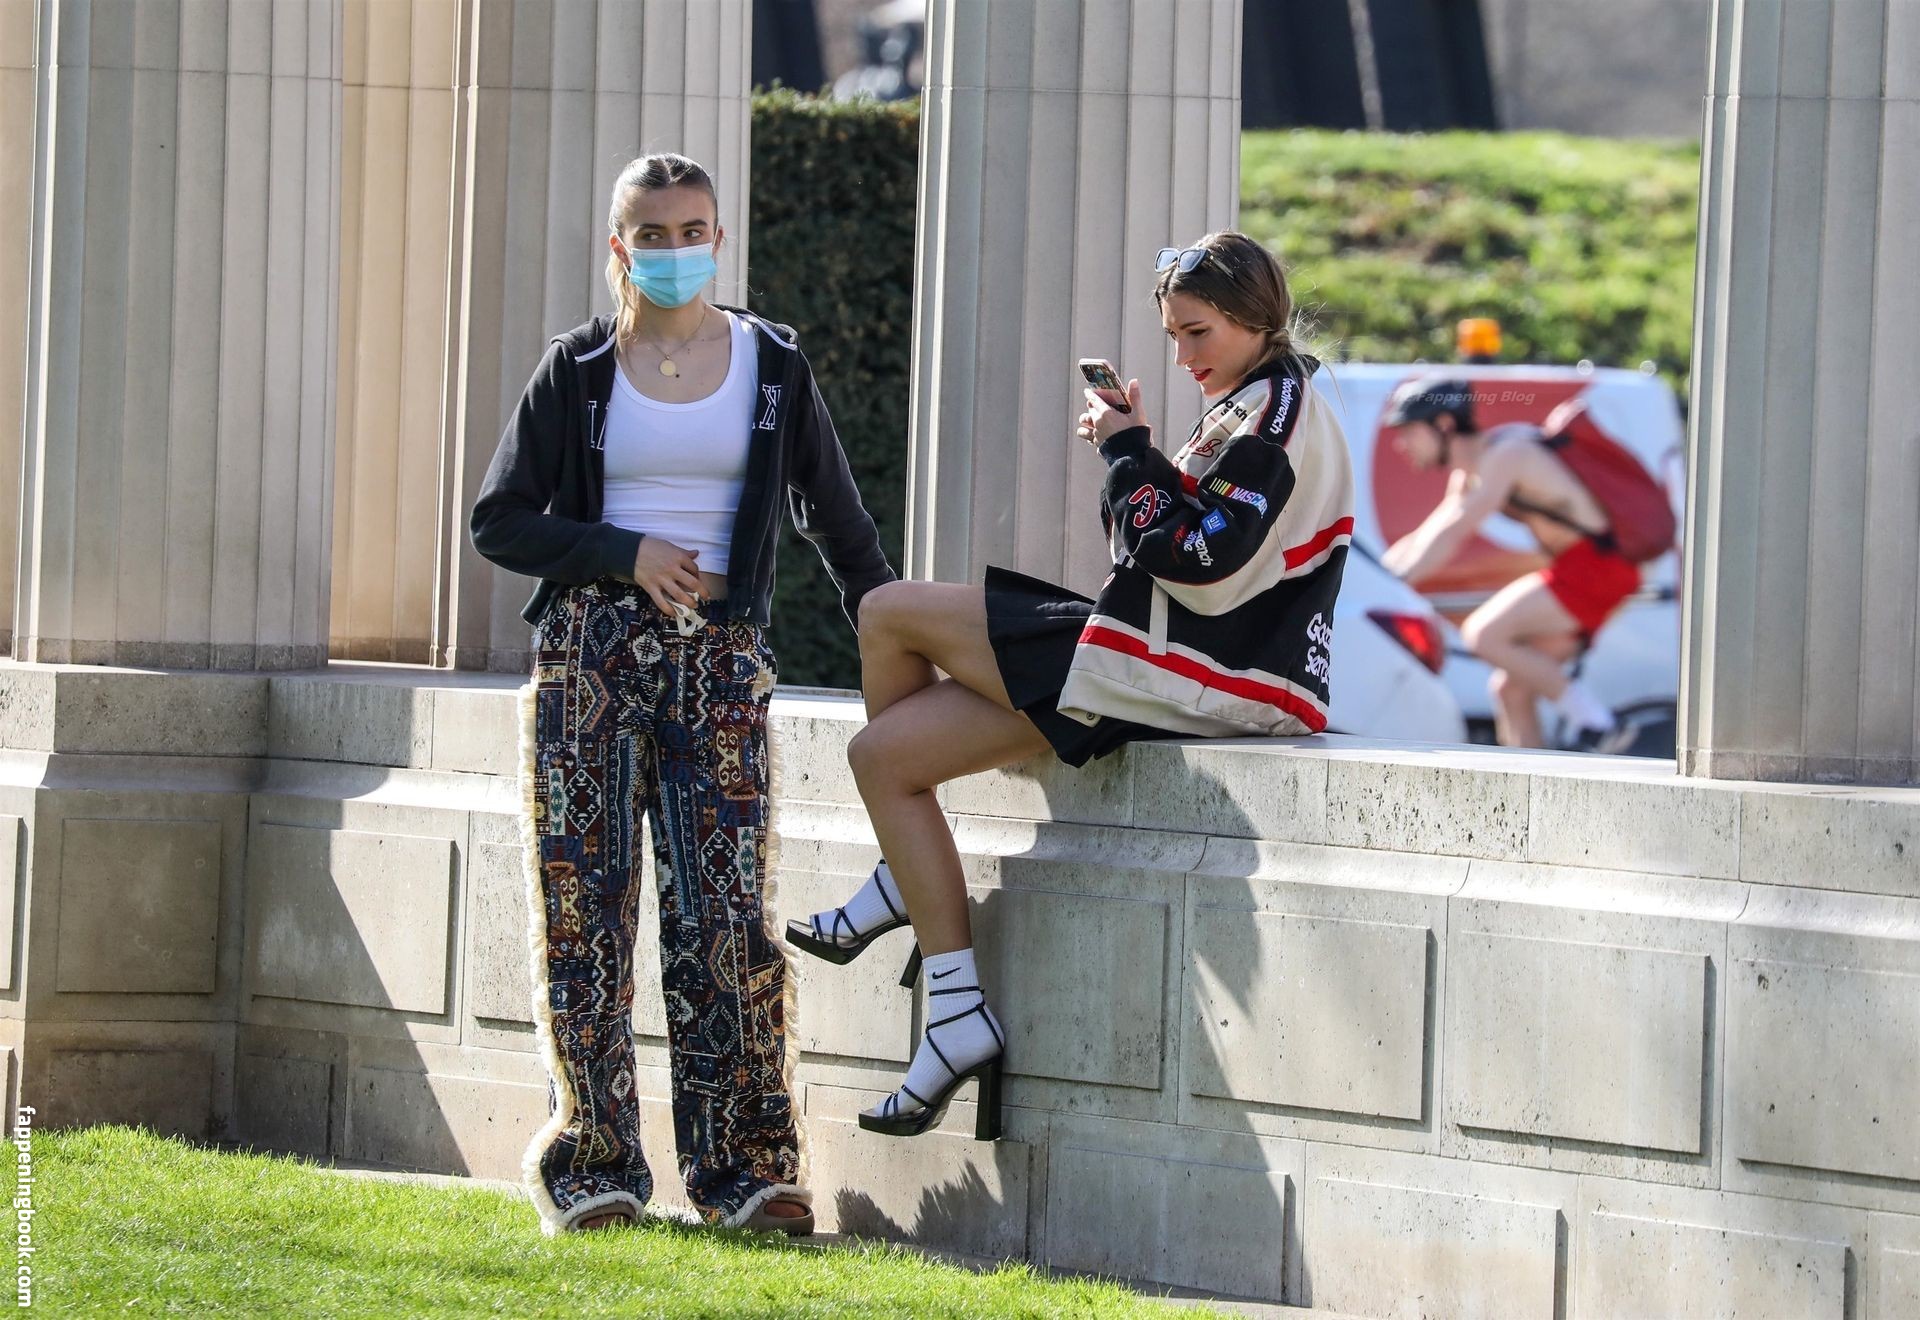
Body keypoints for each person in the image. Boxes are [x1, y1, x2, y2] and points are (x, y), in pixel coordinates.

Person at [785, 231, 1353, 1140]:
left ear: (1255, 319)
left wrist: (1127, 451)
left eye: (1198, 332)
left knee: (888, 612)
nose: (1184, 356)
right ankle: (955, 1014)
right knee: (883, 760)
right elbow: (1164, 547)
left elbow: (1194, 558)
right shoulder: (1259, 400)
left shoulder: (1277, 407)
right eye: (1173, 335)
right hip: (1165, 664)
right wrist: (1139, 455)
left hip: (1192, 675)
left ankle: (903, 880)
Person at [470, 153, 893, 1235]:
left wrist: (893, 638)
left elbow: (837, 520)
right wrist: (623, 551)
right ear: (620, 248)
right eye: (650, 235)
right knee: (587, 911)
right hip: (590, 657)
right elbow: (499, 520)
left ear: (718, 237)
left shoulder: (772, 365)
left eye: (690, 230)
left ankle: (746, 1170)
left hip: (722, 662)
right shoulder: (577, 368)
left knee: (726, 916)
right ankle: (593, 1167)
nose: (672, 251)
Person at [1378, 378, 1632, 749]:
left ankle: (1598, 723)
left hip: (1598, 566)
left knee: (1483, 633)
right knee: (1510, 688)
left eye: (1409, 431)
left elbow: (1455, 533)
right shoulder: (1470, 472)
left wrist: (1390, 586)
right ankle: (1529, 777)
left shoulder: (1507, 456)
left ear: (1444, 425)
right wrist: (1377, 575)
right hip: (1585, 568)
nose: (1402, 444)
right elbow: (1428, 535)